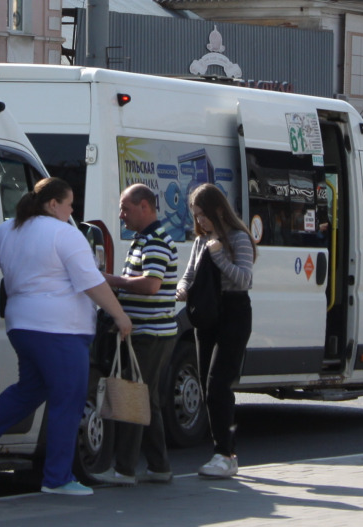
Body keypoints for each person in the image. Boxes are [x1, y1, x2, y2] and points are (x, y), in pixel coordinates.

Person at [0, 177, 131, 496]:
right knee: (67, 400)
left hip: (22, 326)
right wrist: (119, 315)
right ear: (53, 204)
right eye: (69, 203)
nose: (73, 209)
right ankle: (57, 478)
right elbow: (92, 283)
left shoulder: (9, 230)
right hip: (60, 330)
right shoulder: (66, 235)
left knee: (30, 390)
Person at [94, 184, 180, 486]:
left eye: (125, 208)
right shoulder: (145, 239)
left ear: (145, 206)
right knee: (146, 399)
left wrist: (110, 281)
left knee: (132, 397)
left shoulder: (154, 241)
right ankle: (159, 467)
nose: (121, 215)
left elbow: (151, 285)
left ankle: (124, 470)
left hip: (151, 334)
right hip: (151, 332)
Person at [179, 181, 257, 479]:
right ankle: (222, 451)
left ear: (218, 210)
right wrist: (183, 288)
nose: (199, 221)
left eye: (203, 214)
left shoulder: (238, 239)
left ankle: (225, 453)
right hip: (207, 315)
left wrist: (220, 257)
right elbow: (188, 274)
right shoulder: (201, 241)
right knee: (204, 385)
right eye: (196, 215)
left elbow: (244, 280)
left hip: (234, 312)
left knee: (218, 385)